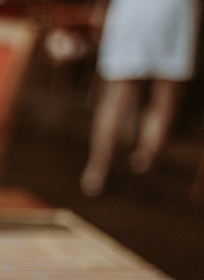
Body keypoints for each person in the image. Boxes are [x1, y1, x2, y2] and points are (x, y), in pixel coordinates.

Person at [79, 0, 202, 197]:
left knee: (118, 91)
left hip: (135, 7)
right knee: (166, 93)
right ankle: (144, 164)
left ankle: (96, 171)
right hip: (178, 7)